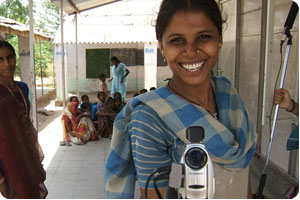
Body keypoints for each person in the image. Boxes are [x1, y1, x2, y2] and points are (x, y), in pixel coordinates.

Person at [104, 0, 257, 199]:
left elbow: (242, 177)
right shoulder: (149, 119)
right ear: (162, 47)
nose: (191, 51)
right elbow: (156, 195)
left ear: (219, 40)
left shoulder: (229, 95)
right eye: (177, 40)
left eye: (204, 37)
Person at [0, 40, 48, 198]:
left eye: (10, 57)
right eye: (0, 60)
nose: (7, 63)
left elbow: (26, 124)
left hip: (27, 154)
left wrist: (34, 156)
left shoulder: (23, 88)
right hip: (6, 159)